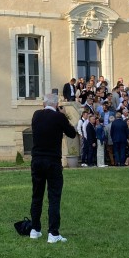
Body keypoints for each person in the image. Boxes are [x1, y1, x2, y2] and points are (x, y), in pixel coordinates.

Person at [29, 93, 77, 243]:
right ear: (56, 104)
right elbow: (72, 133)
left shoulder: (36, 115)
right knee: (54, 197)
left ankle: (35, 229)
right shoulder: (59, 117)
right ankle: (53, 233)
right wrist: (64, 115)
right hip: (52, 161)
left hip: (37, 160)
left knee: (37, 195)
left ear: (44, 103)